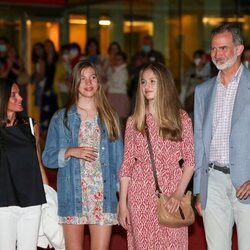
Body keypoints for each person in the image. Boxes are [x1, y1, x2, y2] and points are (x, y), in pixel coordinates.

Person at [42, 60, 123, 250]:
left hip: (104, 196)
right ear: (75, 84)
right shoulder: (61, 118)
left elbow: (120, 162)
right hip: (72, 196)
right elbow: (48, 157)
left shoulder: (110, 117)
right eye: (83, 78)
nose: (88, 83)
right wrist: (70, 151)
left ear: (99, 82)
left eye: (92, 77)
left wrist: (122, 199)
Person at [119, 62, 195, 249]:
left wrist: (178, 194)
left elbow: (191, 162)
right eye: (143, 82)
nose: (147, 86)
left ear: (164, 84)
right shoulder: (134, 121)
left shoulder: (181, 118)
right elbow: (127, 164)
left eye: (153, 81)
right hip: (139, 196)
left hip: (172, 191)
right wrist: (122, 203)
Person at [193, 23, 250, 250]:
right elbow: (199, 142)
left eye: (223, 48)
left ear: (238, 49)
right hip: (213, 181)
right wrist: (199, 190)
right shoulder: (203, 91)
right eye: (214, 49)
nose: (216, 54)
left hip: (246, 183)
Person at [0, 78, 48, 250]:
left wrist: (47, 193)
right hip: (3, 202)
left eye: (19, 94)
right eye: (14, 95)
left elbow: (38, 162)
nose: (20, 98)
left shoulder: (30, 125)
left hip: (32, 200)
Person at [180, 49, 211, 116]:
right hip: (190, 94)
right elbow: (187, 80)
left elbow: (209, 80)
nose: (196, 60)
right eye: (195, 58)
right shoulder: (192, 68)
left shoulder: (210, 67)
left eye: (198, 58)